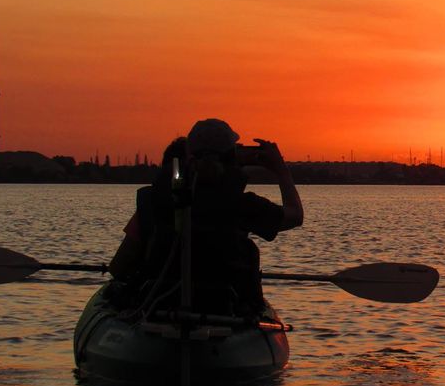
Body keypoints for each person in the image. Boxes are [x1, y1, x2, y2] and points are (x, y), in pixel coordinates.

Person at [109, 119, 303, 314]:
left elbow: (118, 268)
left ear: (188, 155)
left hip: (157, 306)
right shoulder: (242, 204)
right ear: (231, 157)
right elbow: (295, 216)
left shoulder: (153, 200)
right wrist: (280, 169)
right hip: (223, 309)